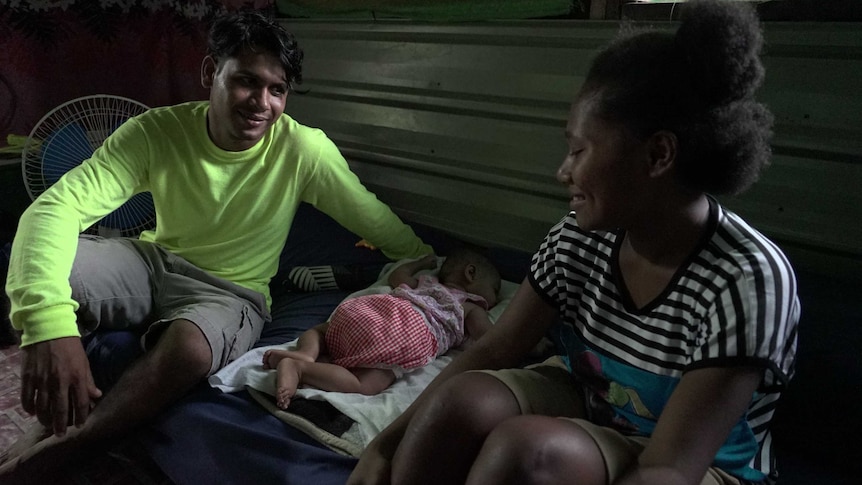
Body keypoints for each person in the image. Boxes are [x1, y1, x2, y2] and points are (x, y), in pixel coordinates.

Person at [347, 1, 800, 484]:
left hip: (699, 463)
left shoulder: (746, 279)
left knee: (527, 453)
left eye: (579, 150)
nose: (563, 171)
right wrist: (383, 447)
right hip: (595, 405)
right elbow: (494, 350)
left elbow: (668, 469)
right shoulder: (579, 238)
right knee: (458, 402)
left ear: (658, 154)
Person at [0, 9, 432, 483]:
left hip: (231, 292)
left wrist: (427, 259)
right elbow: (53, 209)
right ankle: (53, 421)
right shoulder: (157, 132)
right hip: (154, 262)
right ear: (211, 73)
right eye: (247, 81)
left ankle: (75, 442)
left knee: (189, 349)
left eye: (277, 89)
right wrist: (49, 327)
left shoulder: (303, 150)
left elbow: (371, 217)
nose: (261, 103)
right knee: (43, 269)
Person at [262, 249, 501, 408]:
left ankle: (305, 352)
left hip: (369, 311)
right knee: (363, 384)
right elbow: (491, 339)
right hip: (403, 332)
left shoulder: (426, 282)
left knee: (321, 331)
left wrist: (420, 263)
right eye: (496, 289)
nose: (497, 298)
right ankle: (300, 368)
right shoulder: (469, 306)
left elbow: (397, 275)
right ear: (471, 273)